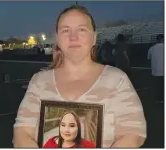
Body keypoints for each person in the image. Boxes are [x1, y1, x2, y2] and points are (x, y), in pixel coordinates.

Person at [13, 5, 146, 148]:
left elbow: (133, 134)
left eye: (81, 29)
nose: (73, 37)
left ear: (94, 37)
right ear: (57, 38)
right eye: (65, 30)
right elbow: (22, 133)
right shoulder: (39, 81)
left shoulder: (117, 80)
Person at [147, 34, 164, 103]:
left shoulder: (152, 48)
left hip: (155, 71)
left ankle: (158, 99)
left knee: (157, 86)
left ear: (157, 40)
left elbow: (148, 58)